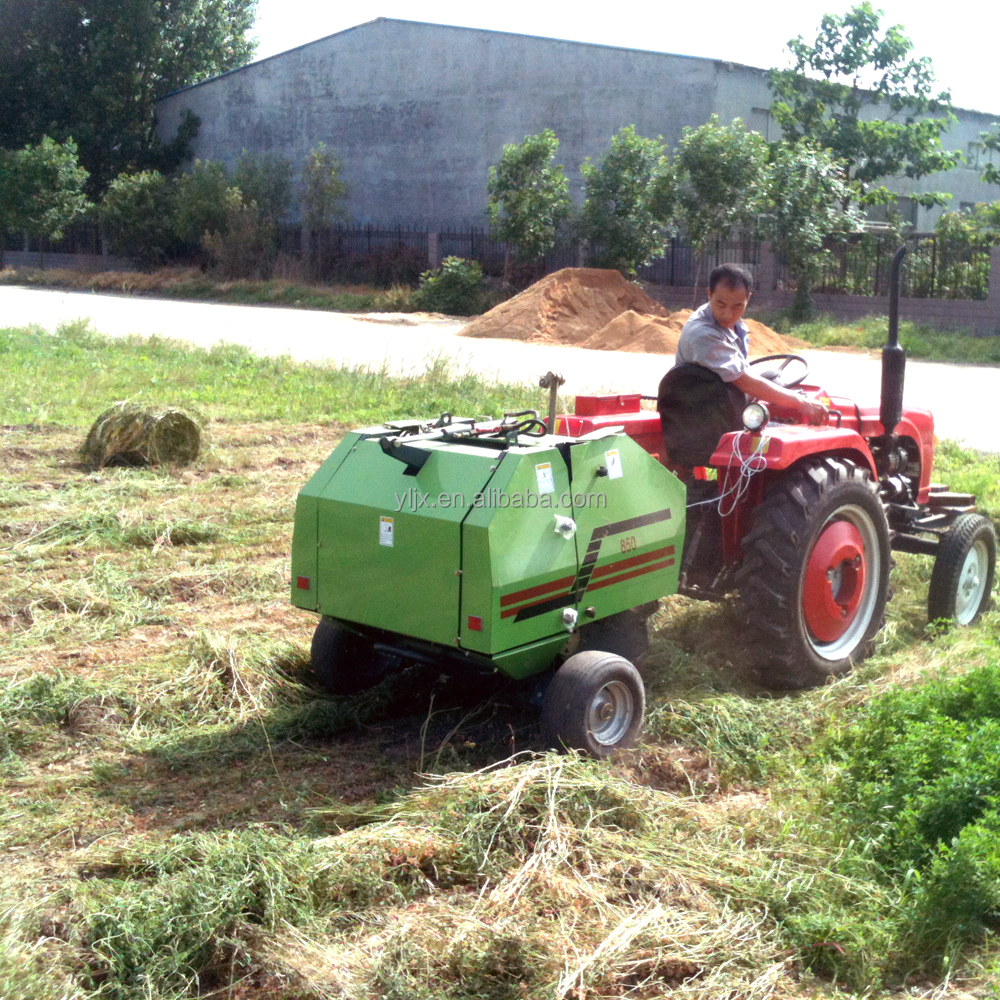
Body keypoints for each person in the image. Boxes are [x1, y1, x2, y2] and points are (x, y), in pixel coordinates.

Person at [674, 263, 828, 425]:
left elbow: (742, 376)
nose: (728, 314)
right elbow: (744, 381)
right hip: (704, 420)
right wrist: (801, 402)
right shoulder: (703, 334)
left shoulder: (735, 327)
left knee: (772, 382)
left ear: (748, 298)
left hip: (720, 409)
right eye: (721, 304)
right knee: (798, 433)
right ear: (710, 294)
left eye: (737, 306)